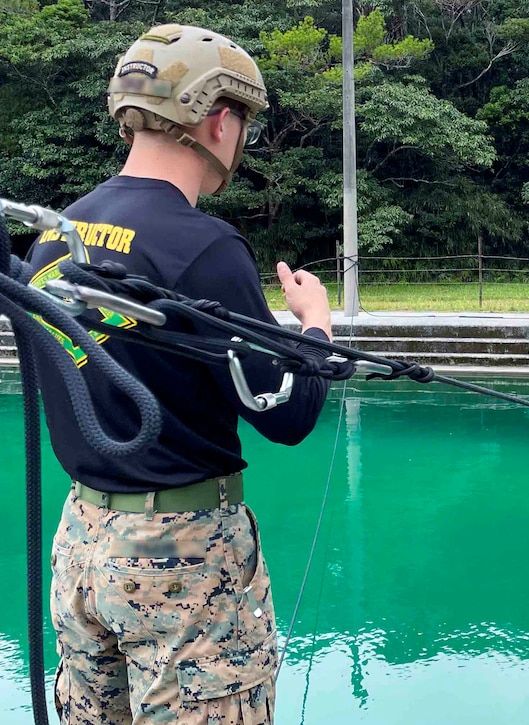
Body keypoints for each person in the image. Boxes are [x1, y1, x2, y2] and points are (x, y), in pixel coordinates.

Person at [26, 25, 333, 724]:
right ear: (220, 121)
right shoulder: (204, 248)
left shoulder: (59, 229)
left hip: (81, 543)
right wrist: (315, 326)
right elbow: (285, 413)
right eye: (243, 122)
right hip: (186, 558)